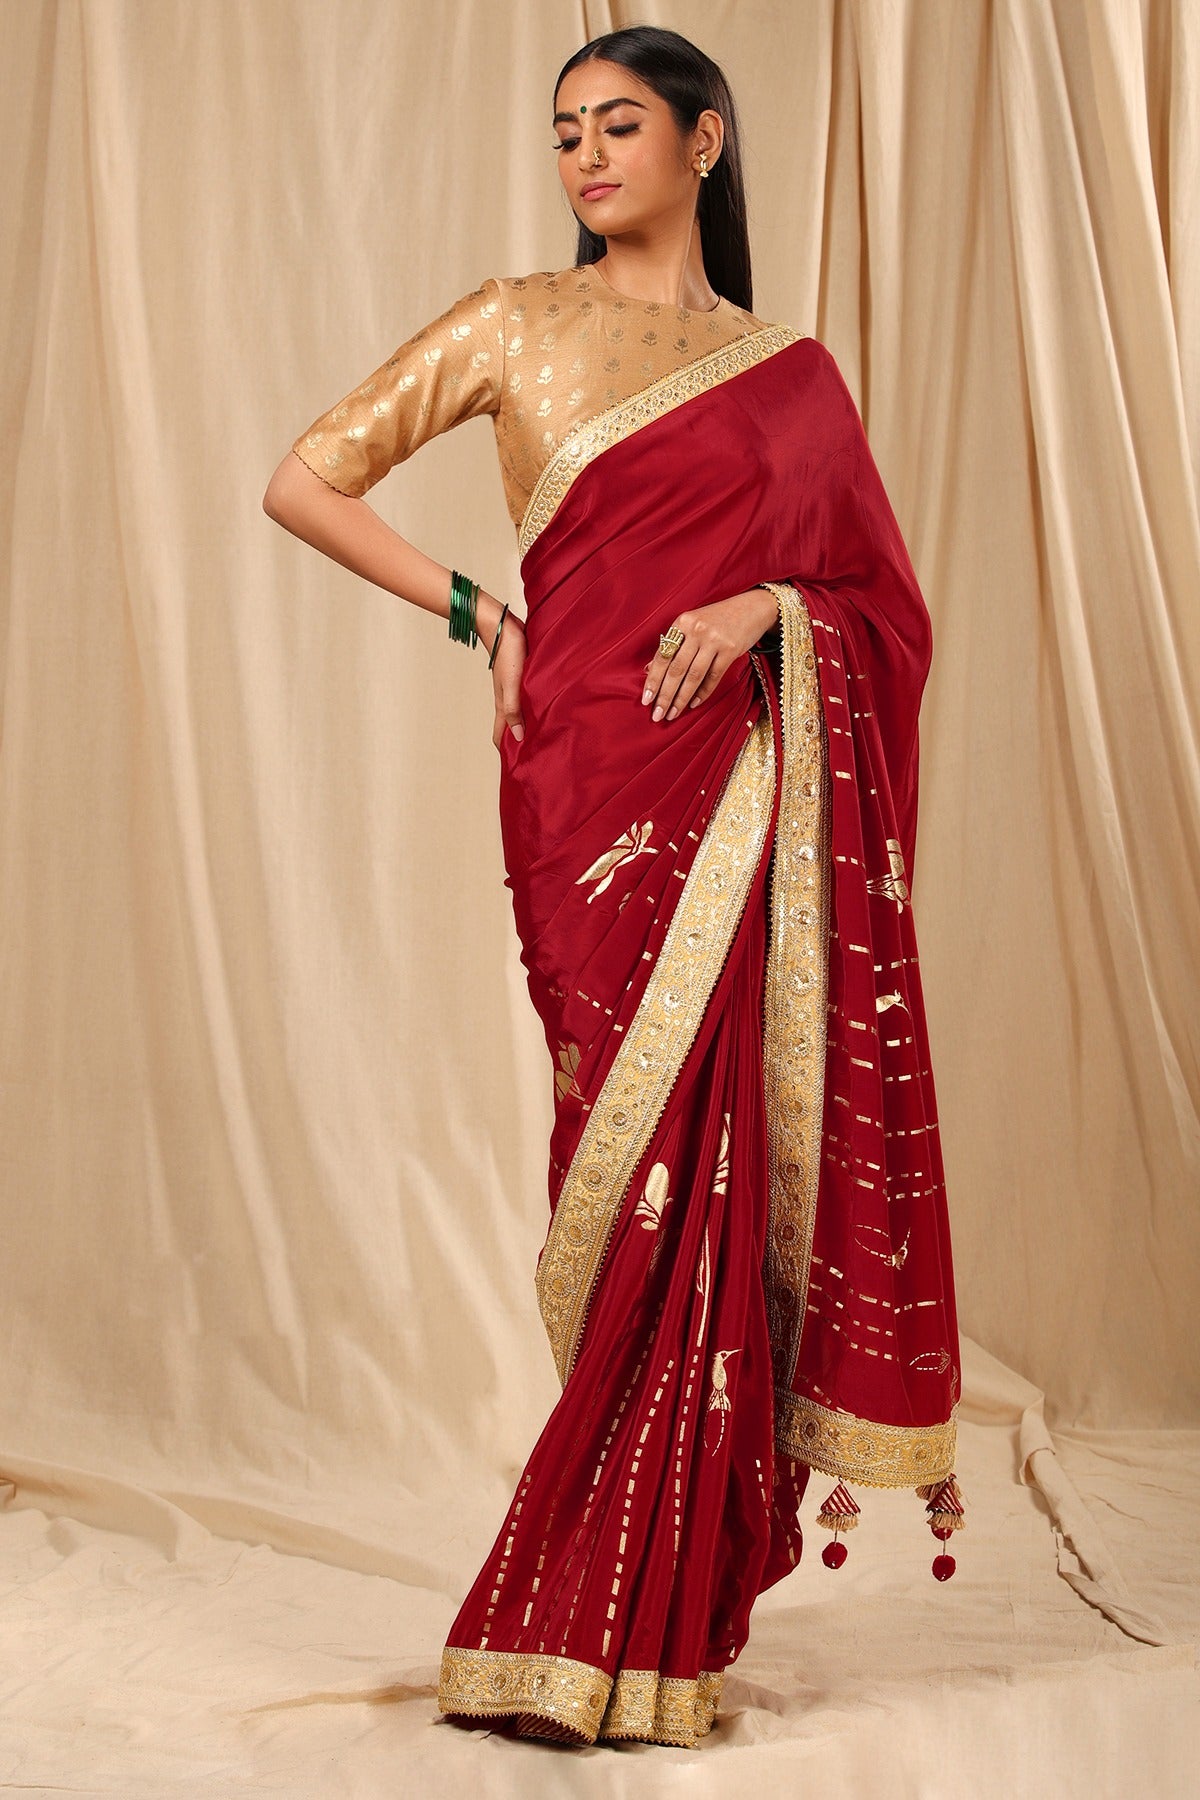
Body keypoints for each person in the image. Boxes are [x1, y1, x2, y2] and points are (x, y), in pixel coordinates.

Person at [263, 23, 965, 1753]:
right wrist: (477, 612)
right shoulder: (514, 322)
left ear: (703, 142)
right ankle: (606, 1596)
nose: (583, 155)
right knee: (625, 1164)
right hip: (586, 774)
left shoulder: (790, 375)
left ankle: (639, 1619)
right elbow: (304, 479)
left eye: (619, 124)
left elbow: (882, 609)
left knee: (709, 1167)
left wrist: (771, 611)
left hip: (739, 778)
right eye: (565, 130)